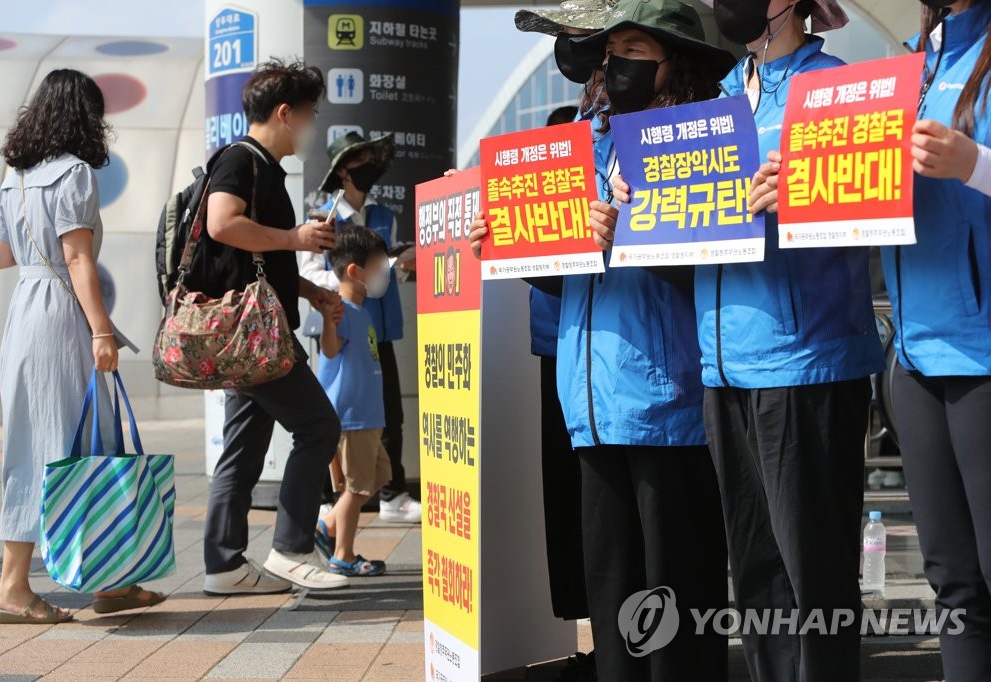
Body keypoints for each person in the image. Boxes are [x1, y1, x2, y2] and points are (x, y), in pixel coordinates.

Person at [609, 2, 882, 680]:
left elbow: (876, 211)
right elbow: (687, 240)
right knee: (757, 576)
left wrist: (806, 190)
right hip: (723, 368)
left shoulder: (836, 90)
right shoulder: (717, 104)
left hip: (808, 362)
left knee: (813, 578)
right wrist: (633, 218)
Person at [472, 1, 734, 678]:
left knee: (676, 586)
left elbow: (710, 262)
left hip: (667, 402)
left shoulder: (697, 141)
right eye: (610, 52)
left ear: (676, 65)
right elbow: (566, 281)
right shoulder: (579, 145)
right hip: (588, 406)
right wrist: (512, 249)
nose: (616, 66)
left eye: (636, 51)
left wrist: (635, 230)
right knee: (611, 587)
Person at [0, 68, 162, 623]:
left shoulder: (14, 177)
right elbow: (79, 259)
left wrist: (30, 238)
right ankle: (16, 588)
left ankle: (106, 579)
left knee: (43, 442)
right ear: (85, 117)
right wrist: (103, 331)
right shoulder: (75, 174)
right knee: (75, 443)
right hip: (60, 318)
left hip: (22, 315)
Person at [201, 58, 350, 595]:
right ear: (285, 113)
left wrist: (309, 289)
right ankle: (290, 548)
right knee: (319, 428)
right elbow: (222, 224)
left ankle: (224, 566)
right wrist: (295, 240)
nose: (312, 125)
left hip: (251, 333)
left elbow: (261, 258)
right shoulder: (244, 161)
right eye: (310, 113)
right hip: (257, 336)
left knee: (242, 448)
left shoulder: (259, 165)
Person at [881, 1, 991, 679]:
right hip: (915, 353)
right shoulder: (906, 64)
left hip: (983, 353)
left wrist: (974, 162)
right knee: (952, 583)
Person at [301, 132, 422, 524]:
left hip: (379, 326)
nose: (370, 168)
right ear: (343, 171)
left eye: (373, 160)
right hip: (340, 325)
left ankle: (392, 494)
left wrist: (398, 266)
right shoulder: (323, 217)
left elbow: (386, 272)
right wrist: (348, 288)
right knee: (335, 409)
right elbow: (308, 273)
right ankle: (326, 496)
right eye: (361, 162)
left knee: (388, 410)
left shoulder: (384, 214)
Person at [314, 226, 394, 577]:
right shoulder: (341, 310)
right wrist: (329, 324)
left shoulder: (362, 312)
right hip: (351, 418)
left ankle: (328, 526)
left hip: (367, 417)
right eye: (378, 267)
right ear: (354, 271)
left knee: (377, 476)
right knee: (357, 487)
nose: (384, 275)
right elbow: (329, 350)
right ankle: (342, 554)